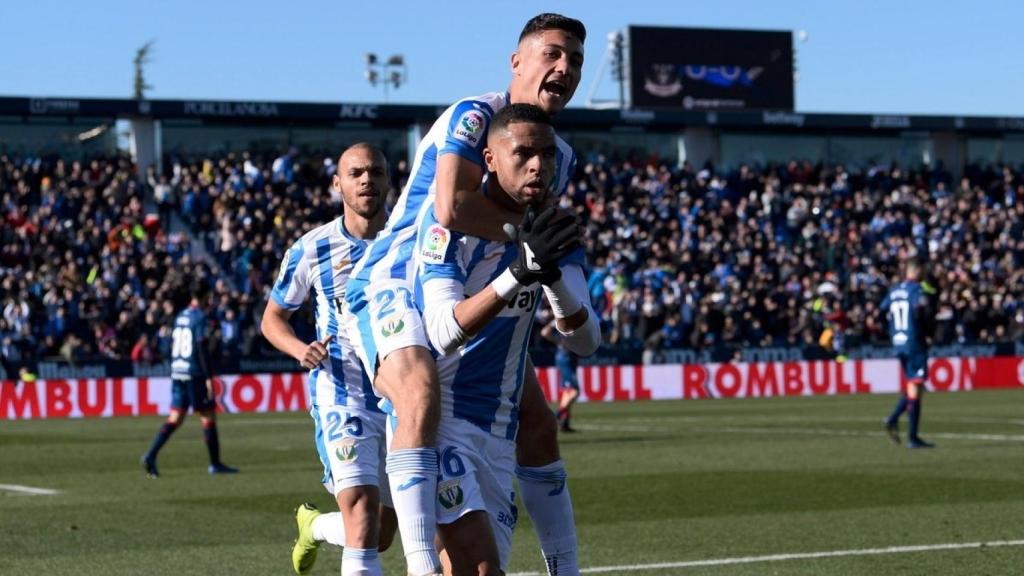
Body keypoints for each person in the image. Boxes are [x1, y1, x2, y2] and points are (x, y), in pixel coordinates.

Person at [343, 14, 587, 576]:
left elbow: (538, 240)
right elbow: (452, 206)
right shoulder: (474, 115)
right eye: (552, 54)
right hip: (397, 282)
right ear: (517, 62)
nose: (564, 68)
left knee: (538, 422)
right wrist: (526, 245)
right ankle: (421, 565)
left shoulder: (561, 156)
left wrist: (548, 276)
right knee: (420, 392)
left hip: (473, 298)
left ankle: (565, 567)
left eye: (574, 60)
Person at [417, 104, 600, 575]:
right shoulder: (446, 229)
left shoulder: (554, 231)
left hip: (499, 430)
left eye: (547, 155)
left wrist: (552, 275)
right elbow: (442, 332)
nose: (538, 164)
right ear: (490, 159)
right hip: (441, 420)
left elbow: (585, 341)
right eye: (523, 153)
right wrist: (519, 273)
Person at [261, 143, 398, 576]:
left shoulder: (409, 240)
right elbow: (272, 318)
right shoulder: (312, 248)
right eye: (355, 173)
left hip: (401, 398)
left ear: (388, 180)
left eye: (375, 172)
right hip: (341, 393)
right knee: (361, 518)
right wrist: (301, 348)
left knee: (382, 533)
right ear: (337, 184)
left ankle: (315, 526)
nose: (366, 180)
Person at [141, 278, 238, 477]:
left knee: (175, 418)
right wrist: (208, 377)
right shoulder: (200, 318)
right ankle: (215, 464)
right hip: (194, 373)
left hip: (177, 371)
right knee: (208, 416)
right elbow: (202, 348)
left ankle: (150, 455)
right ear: (206, 296)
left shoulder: (180, 316)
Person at [882, 261, 935, 449]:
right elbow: (922, 312)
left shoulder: (894, 290)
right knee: (916, 385)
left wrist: (890, 331)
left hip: (899, 343)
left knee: (915, 385)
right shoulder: (917, 291)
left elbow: (882, 309)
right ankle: (909, 434)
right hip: (914, 342)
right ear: (918, 270)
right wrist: (928, 333)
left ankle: (898, 423)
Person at [542, 320, 581, 432]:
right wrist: (559, 342)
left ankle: (564, 422)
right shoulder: (562, 319)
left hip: (569, 357)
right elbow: (544, 332)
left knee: (568, 392)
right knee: (574, 391)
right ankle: (556, 416)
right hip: (566, 356)